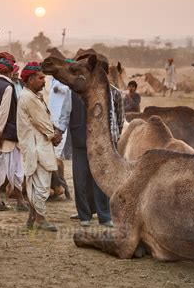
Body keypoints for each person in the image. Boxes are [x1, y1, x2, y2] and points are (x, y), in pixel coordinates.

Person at [56, 60, 123, 228]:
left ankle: (104, 216)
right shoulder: (72, 93)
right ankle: (84, 215)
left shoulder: (111, 93)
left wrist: (114, 139)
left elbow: (117, 120)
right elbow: (64, 115)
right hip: (80, 142)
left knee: (100, 180)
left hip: (101, 145)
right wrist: (59, 133)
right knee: (80, 180)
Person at [17, 62, 62, 231]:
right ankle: (41, 220)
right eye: (41, 78)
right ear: (30, 79)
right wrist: (54, 135)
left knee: (36, 183)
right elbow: (41, 121)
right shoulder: (28, 98)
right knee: (42, 186)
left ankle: (33, 217)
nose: (44, 81)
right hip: (36, 147)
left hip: (36, 145)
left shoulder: (32, 96)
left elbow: (43, 119)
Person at [0, 52, 28, 212]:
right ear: (10, 69)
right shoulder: (8, 87)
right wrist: (0, 134)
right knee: (15, 169)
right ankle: (20, 202)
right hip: (7, 136)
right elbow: (4, 112)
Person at [48, 72, 72, 159]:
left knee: (61, 131)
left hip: (60, 111)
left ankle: (57, 154)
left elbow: (69, 89)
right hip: (52, 110)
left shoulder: (65, 78)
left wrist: (59, 88)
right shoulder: (53, 79)